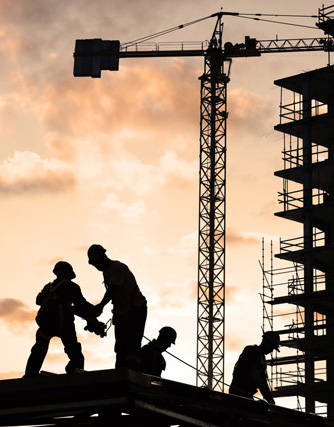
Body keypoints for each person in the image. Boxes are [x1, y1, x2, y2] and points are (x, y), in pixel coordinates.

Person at [24, 261, 104, 377]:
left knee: (39, 350)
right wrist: (95, 311)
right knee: (75, 353)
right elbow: (81, 305)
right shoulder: (71, 286)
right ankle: (75, 373)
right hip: (64, 323)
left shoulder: (48, 287)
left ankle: (29, 376)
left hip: (47, 324)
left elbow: (38, 300)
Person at [87, 244, 147, 370]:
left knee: (132, 345)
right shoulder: (106, 272)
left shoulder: (117, 268)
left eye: (95, 263)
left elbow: (113, 290)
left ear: (101, 257)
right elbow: (117, 297)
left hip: (136, 309)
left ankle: (131, 373)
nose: (95, 267)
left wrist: (101, 306)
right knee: (120, 346)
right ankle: (120, 372)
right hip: (123, 311)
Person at [229, 331, 280, 404]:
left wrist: (271, 402)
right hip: (239, 393)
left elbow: (263, 384)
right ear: (265, 342)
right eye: (271, 347)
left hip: (246, 394)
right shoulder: (250, 351)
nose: (271, 350)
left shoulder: (261, 359)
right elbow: (242, 372)